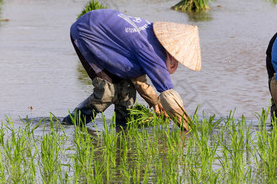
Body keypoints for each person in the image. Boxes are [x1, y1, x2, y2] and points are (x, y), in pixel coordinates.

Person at [63, 9, 201, 130]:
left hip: (104, 28)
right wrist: (187, 127)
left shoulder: (153, 37)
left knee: (126, 95)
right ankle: (70, 123)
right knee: (107, 93)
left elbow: (138, 79)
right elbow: (168, 94)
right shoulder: (152, 51)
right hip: (88, 31)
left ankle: (121, 133)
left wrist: (155, 102)